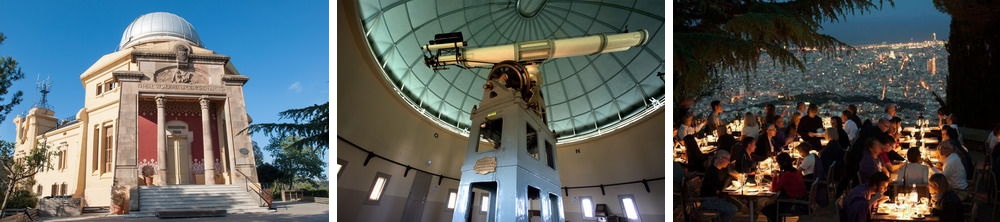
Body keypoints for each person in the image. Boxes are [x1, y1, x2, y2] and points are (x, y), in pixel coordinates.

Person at [762, 153, 808, 222]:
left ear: (781, 164)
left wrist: (774, 176)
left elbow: (774, 189)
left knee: (767, 209)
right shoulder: (795, 171)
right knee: (771, 207)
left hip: (793, 204)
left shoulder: (787, 174)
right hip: (801, 201)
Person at [699, 150, 738, 222]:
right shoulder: (711, 172)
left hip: (715, 198)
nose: (729, 162)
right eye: (727, 159)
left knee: (739, 205)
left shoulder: (720, 170)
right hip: (709, 200)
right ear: (720, 158)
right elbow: (716, 190)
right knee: (733, 209)